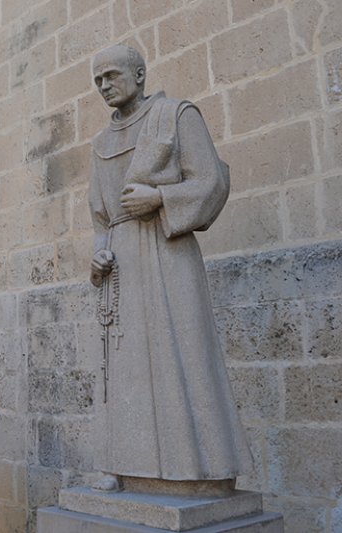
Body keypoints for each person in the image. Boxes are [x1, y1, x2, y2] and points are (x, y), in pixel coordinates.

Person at [88, 44, 252, 489]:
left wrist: (160, 198)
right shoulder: (100, 144)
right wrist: (98, 254)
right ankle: (124, 466)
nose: (104, 85)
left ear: (139, 74)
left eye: (111, 75)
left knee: (186, 356)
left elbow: (211, 182)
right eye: (98, 79)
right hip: (122, 267)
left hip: (168, 251)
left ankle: (205, 473)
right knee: (124, 367)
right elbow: (101, 220)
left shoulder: (177, 116)